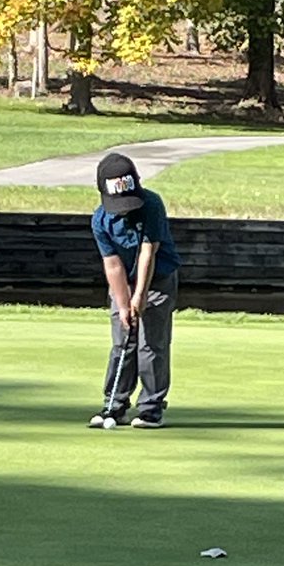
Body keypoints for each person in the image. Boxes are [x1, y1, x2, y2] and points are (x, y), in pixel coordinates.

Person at [88, 152, 182, 429]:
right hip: (123, 281)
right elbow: (113, 265)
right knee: (122, 340)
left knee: (150, 344)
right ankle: (114, 406)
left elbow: (147, 252)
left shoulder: (151, 204)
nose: (125, 209)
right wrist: (123, 303)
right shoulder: (100, 221)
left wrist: (139, 296)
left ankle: (151, 409)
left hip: (158, 279)